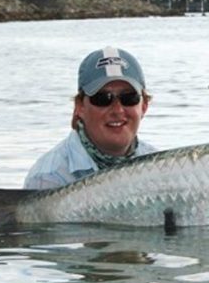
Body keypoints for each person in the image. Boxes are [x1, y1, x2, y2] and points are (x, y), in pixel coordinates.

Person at [24, 46, 156, 190]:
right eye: (102, 99)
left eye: (129, 98)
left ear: (144, 106)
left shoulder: (160, 169)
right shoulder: (47, 177)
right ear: (80, 106)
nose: (117, 110)